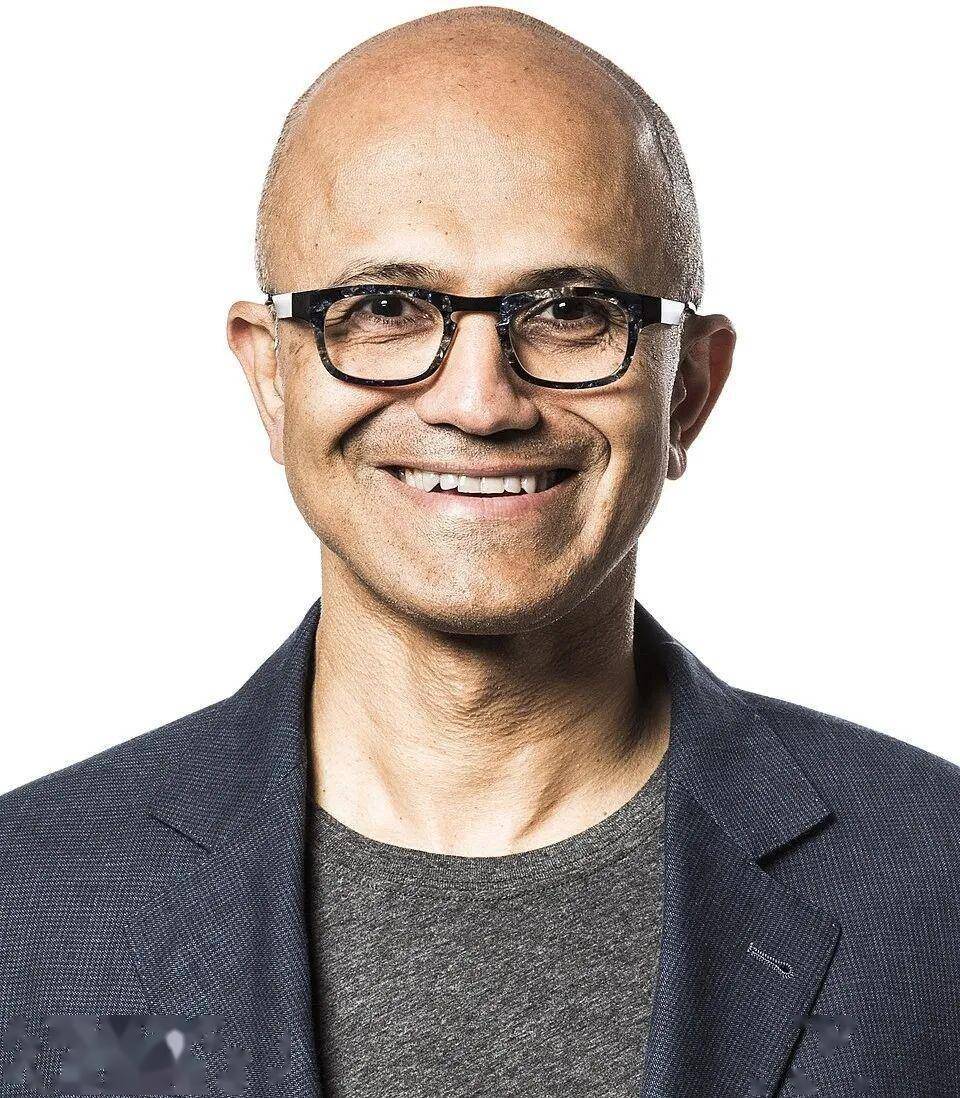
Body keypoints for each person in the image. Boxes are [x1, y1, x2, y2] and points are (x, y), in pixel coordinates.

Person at [2, 7, 958, 1098]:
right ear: (270, 378)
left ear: (688, 389)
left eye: (571, 312)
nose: (479, 401)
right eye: (384, 308)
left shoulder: (937, 884)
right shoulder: (29, 905)